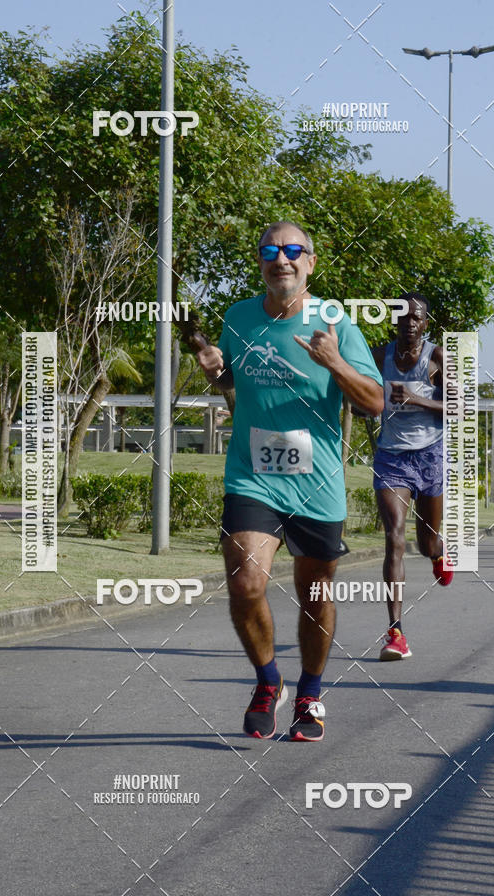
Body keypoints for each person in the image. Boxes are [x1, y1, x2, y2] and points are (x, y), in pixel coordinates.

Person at [197, 222, 383, 741]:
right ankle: (267, 680)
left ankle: (310, 692)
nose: (282, 258)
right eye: (271, 251)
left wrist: (335, 362)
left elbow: (373, 402)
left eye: (293, 251)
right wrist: (217, 370)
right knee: (246, 580)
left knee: (316, 592)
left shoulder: (336, 322)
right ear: (261, 262)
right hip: (253, 477)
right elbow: (235, 376)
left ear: (310, 262)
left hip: (318, 482)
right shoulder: (237, 317)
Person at [370, 292, 453, 662]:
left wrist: (416, 400)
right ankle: (396, 632)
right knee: (394, 538)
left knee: (425, 545)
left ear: (425, 324)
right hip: (391, 457)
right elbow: (363, 397)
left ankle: (439, 554)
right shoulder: (378, 356)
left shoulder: (436, 358)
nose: (409, 324)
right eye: (403, 317)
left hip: (430, 454)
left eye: (416, 319)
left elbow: (458, 407)